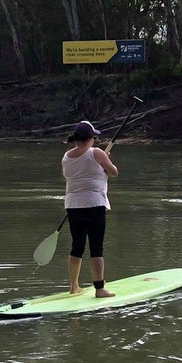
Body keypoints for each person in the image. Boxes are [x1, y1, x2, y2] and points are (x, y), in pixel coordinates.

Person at [62, 120, 119, 298]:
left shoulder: (66, 156)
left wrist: (100, 160)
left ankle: (74, 286)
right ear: (90, 138)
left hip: (73, 206)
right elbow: (114, 172)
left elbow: (73, 174)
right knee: (96, 248)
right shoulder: (97, 153)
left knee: (76, 246)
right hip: (94, 204)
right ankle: (100, 289)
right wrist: (105, 159)